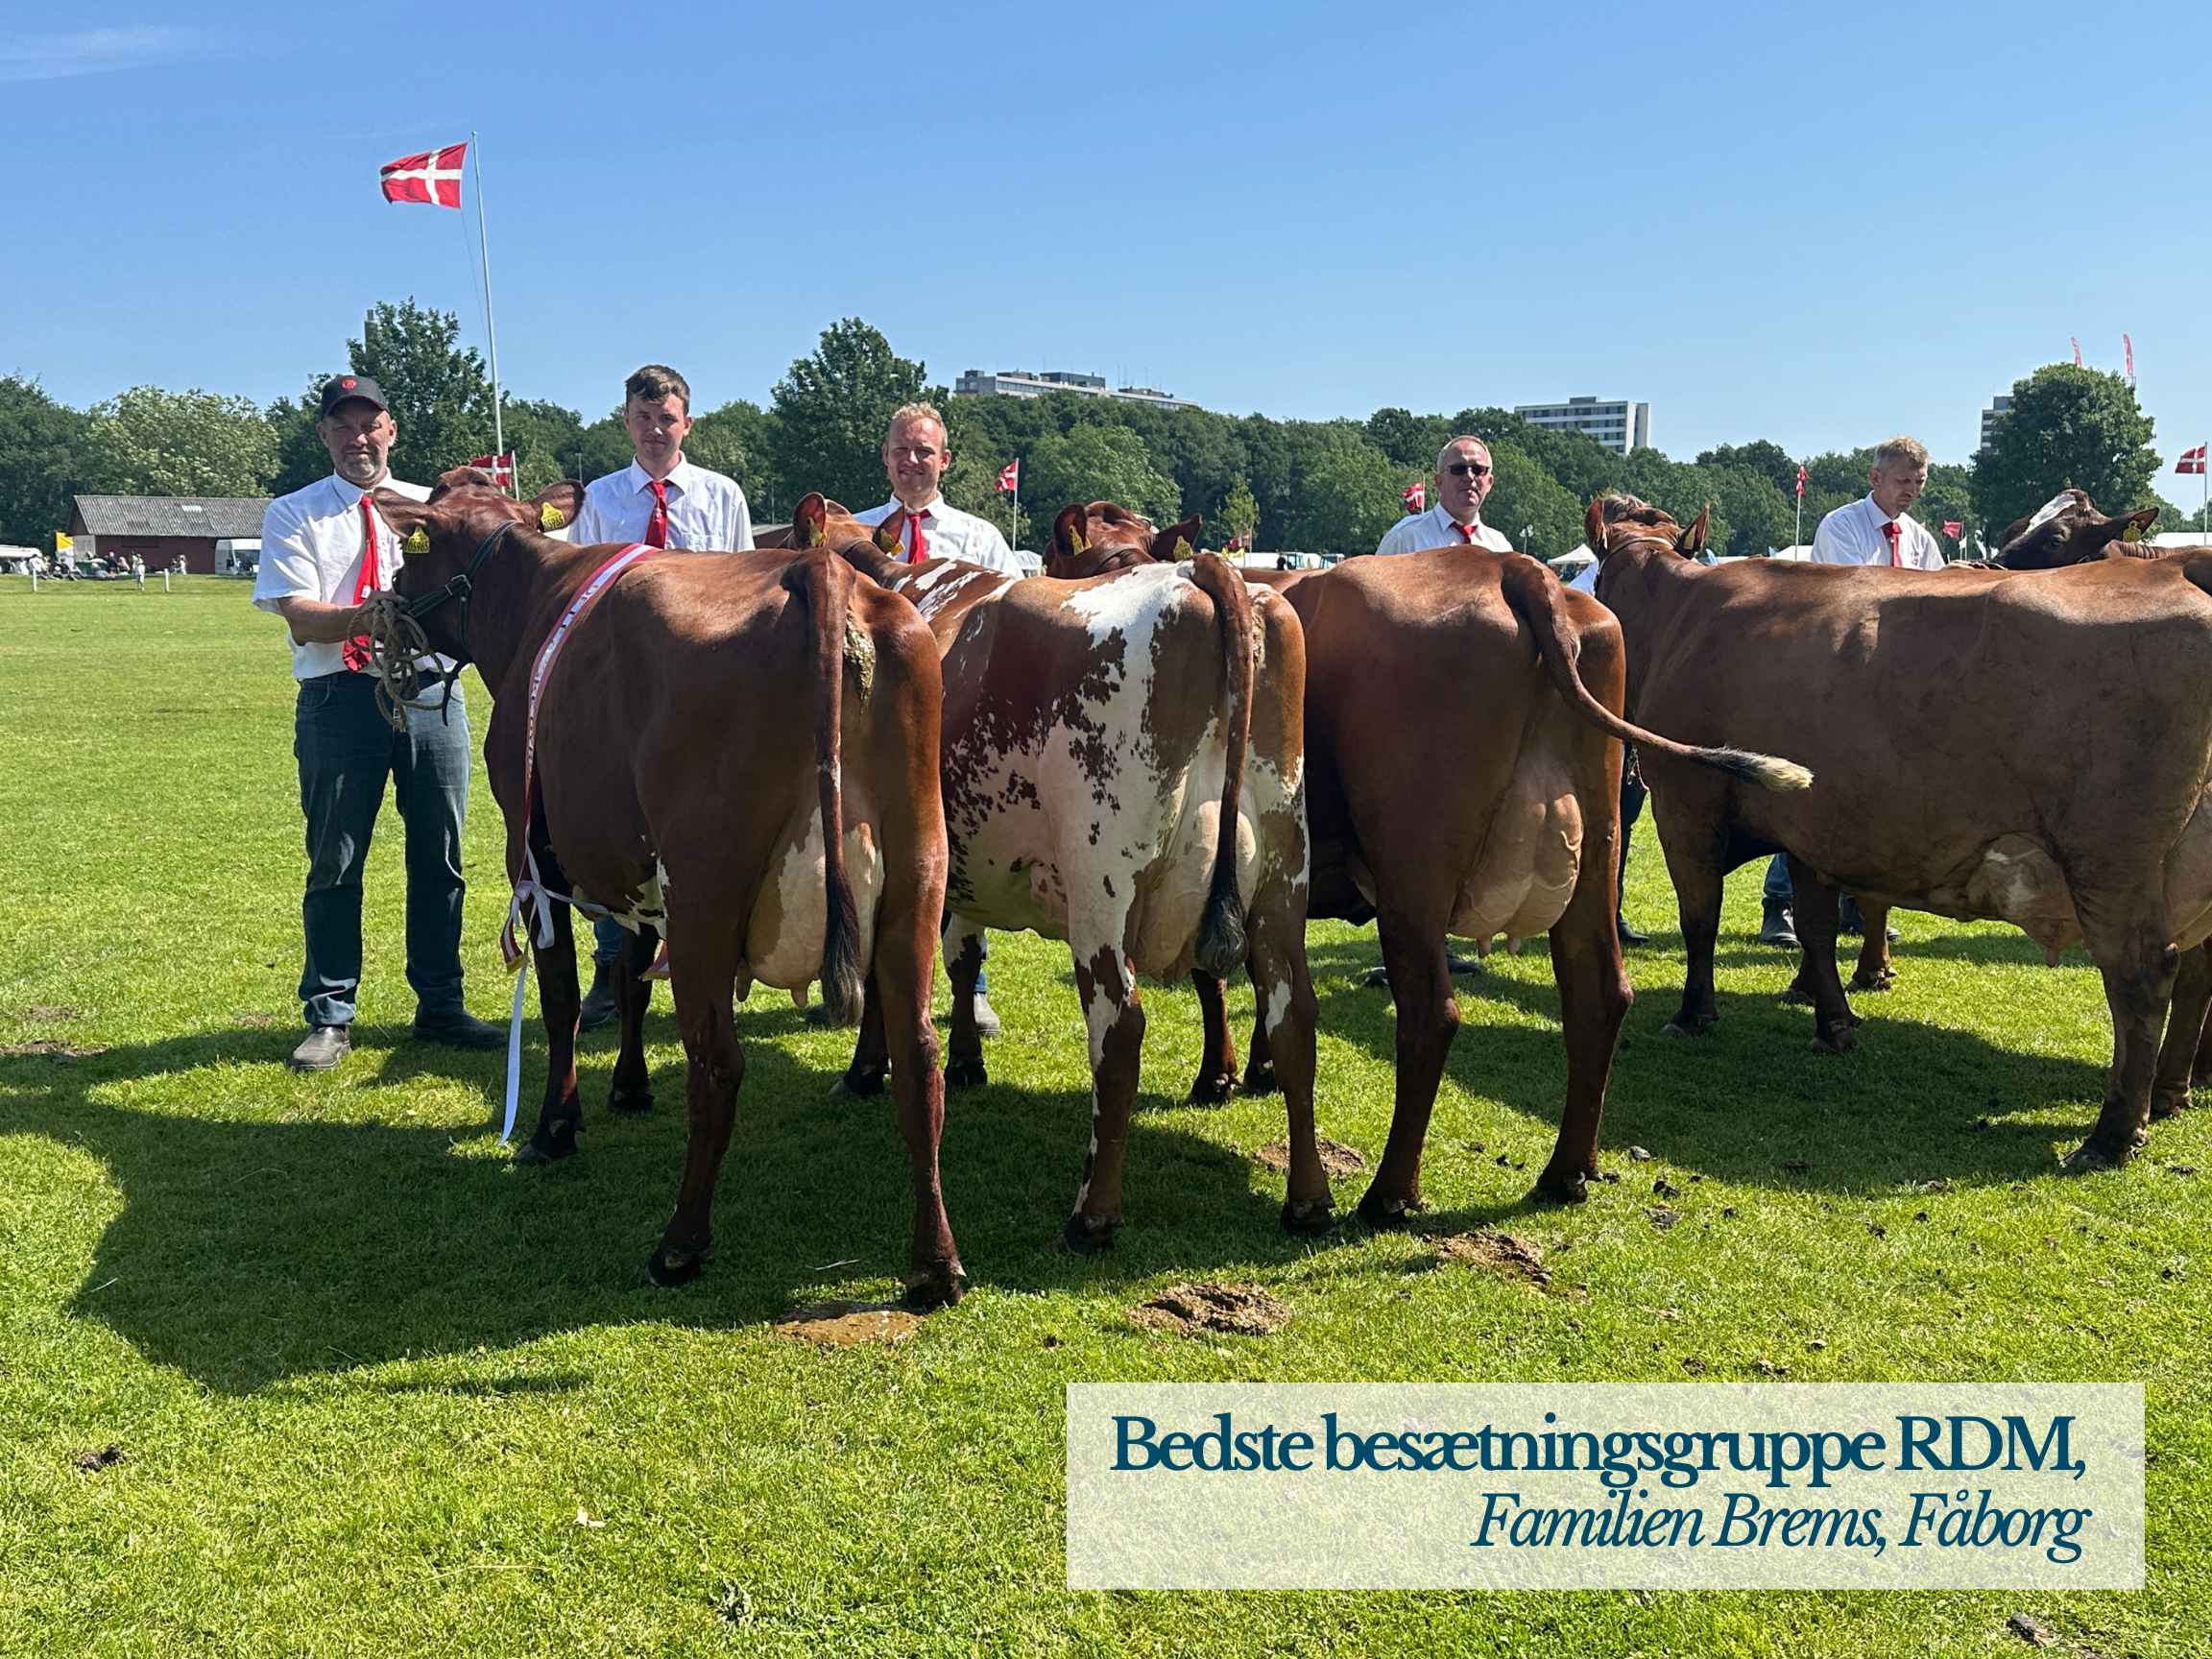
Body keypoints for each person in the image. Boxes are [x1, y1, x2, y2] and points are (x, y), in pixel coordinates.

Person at [253, 373, 504, 1070]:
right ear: (324, 435)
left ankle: (442, 1005)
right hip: (341, 695)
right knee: (335, 860)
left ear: (391, 429)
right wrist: (377, 617)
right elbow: (302, 618)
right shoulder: (294, 513)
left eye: (369, 425)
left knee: (442, 857)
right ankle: (330, 1014)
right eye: (343, 427)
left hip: (432, 694)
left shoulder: (439, 509)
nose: (357, 439)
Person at [572, 363, 756, 1030]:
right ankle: (612, 969)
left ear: (688, 423)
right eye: (644, 419)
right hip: (625, 691)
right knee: (621, 825)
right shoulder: (600, 500)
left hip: (704, 690)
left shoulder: (721, 496)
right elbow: (581, 595)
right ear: (626, 421)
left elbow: (743, 588)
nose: (656, 431)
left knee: (705, 825)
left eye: (667, 419)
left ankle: (708, 962)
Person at [854, 403, 1022, 1036]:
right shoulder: (858, 536)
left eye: (924, 451)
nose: (912, 460)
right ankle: (865, 981)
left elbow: (1013, 622)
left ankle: (968, 987)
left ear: (944, 461)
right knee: (867, 843)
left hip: (953, 721)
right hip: (871, 719)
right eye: (902, 449)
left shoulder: (980, 539)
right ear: (886, 457)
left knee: (956, 847)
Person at [1758, 437, 1936, 945]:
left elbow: (1938, 599)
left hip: (1892, 684)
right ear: (1875, 478)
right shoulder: (1841, 526)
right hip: (1835, 681)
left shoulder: (1920, 539)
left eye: (1918, 483)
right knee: (1814, 792)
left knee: (1873, 797)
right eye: (1904, 481)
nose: (1911, 491)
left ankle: (1862, 902)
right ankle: (1782, 904)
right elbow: (1864, 593)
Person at [1567, 558, 1647, 946]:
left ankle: (1611, 909)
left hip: (1627, 716)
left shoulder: (1646, 589)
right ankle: (1578, 908)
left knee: (1622, 816)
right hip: (1586, 720)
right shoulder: (1583, 588)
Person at [1375, 437, 1516, 555]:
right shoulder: (1405, 537)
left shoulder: (1500, 547)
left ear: (1489, 483)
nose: (1469, 476)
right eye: (1458, 469)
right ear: (1439, 481)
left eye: (1478, 469)